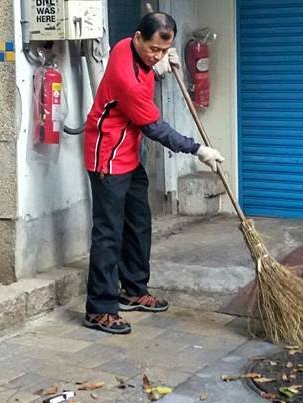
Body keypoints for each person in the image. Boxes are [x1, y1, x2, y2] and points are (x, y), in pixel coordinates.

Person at [82, 12, 225, 334]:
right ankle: (99, 309)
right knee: (108, 233)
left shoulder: (128, 48)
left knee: (139, 224)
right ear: (136, 38)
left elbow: (147, 67)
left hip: (129, 154)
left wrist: (157, 65)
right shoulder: (126, 77)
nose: (158, 55)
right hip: (107, 156)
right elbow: (155, 128)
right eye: (153, 50)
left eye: (164, 50)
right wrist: (197, 149)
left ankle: (132, 289)